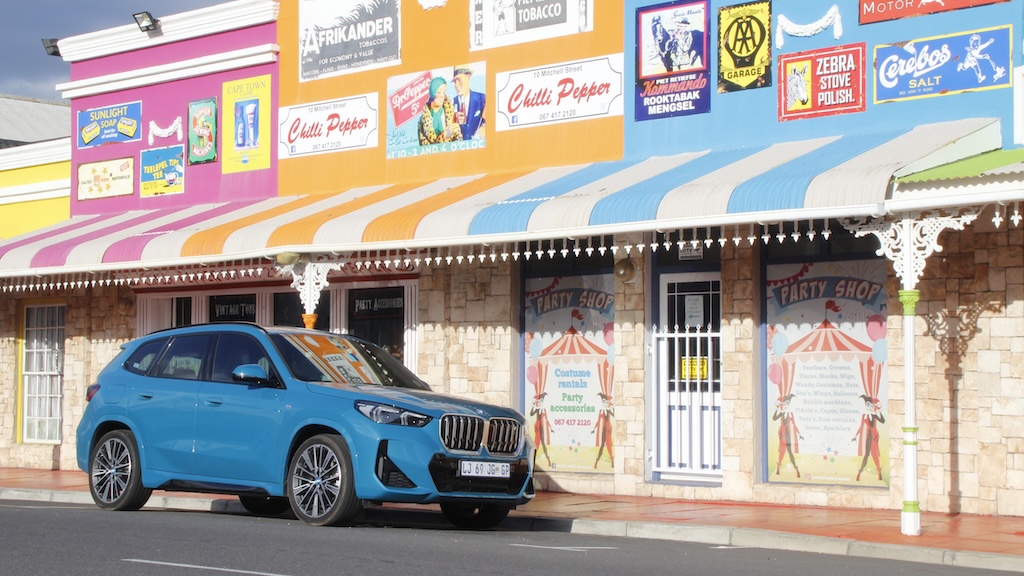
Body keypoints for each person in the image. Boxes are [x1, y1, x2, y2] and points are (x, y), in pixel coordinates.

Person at [417, 77, 461, 145]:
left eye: (444, 92)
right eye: (439, 92)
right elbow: (425, 148)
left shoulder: (451, 113)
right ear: (432, 93)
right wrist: (445, 135)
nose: (442, 96)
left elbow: (458, 138)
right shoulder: (423, 121)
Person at [853, 395, 885, 481]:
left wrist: (879, 411)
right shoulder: (865, 416)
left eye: (870, 405)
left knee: (874, 454)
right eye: (867, 405)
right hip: (869, 435)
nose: (869, 407)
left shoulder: (874, 415)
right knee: (866, 454)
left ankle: (879, 472)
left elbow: (883, 421)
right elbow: (861, 427)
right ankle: (860, 473)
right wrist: (855, 436)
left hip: (874, 435)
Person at [452, 66, 485, 140]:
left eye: (459, 80)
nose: (456, 85)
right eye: (455, 81)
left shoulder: (482, 99)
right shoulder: (450, 105)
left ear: (468, 77)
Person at [773, 393, 801, 477]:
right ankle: (778, 468)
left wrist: (799, 434)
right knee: (782, 451)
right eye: (784, 403)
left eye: (787, 404)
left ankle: (796, 470)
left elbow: (794, 424)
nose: (785, 405)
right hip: (782, 434)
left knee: (789, 452)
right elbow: (774, 418)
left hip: (787, 434)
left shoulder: (790, 414)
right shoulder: (781, 413)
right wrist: (777, 409)